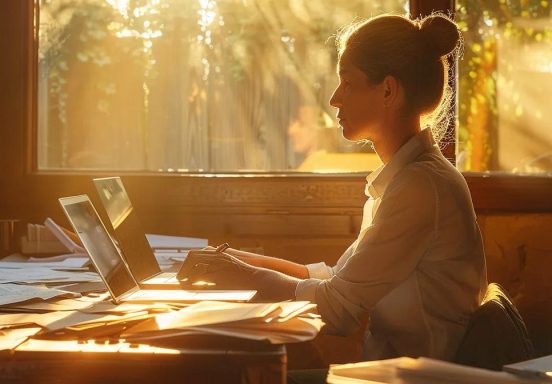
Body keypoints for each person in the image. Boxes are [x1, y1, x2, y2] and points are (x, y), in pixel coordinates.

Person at [177, 13, 488, 362]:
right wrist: (234, 259)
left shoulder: (420, 187)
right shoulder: (407, 178)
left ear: (388, 90)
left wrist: (242, 276)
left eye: (348, 83)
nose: (334, 99)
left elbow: (337, 308)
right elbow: (336, 279)